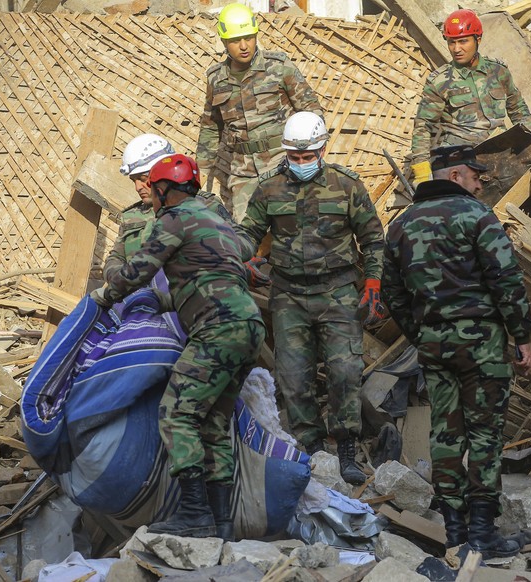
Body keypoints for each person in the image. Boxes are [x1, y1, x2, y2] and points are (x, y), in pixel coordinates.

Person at [90, 154, 264, 540]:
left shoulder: (173, 218)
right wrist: (162, 302)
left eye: (152, 189)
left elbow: (138, 270)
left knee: (176, 414)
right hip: (248, 326)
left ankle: (194, 515)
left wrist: (105, 296)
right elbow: (210, 277)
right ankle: (221, 524)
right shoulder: (217, 222)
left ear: (164, 189)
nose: (149, 197)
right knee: (214, 422)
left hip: (218, 328)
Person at [381, 145, 531, 559]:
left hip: (434, 346)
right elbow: (506, 279)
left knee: (445, 435)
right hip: (482, 344)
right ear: (453, 176)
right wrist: (522, 335)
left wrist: (422, 334)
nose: (480, 181)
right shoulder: (477, 217)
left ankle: (455, 535)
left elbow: (392, 295)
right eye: (474, 174)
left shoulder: (400, 225)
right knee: (485, 435)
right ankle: (483, 534)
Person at [235, 111, 385, 486]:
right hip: (289, 294)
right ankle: (313, 449)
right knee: (293, 376)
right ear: (286, 153)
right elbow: (248, 232)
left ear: (322, 149)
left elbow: (372, 238)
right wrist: (242, 256)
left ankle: (347, 447)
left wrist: (373, 283)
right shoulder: (269, 188)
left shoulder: (347, 186)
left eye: (308, 156)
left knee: (346, 372)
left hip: (337, 291)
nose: (301, 164)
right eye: (295, 157)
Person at [197, 2, 324, 222]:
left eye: (249, 37)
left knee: (289, 227)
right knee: (247, 233)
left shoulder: (278, 66)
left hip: (282, 164)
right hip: (242, 171)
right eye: (236, 40)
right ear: (224, 41)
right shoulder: (215, 78)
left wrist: (311, 154)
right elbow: (211, 125)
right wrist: (202, 169)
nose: (244, 45)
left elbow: (311, 110)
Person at [408, 8, 531, 184]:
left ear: (478, 39)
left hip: (500, 155)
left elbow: (518, 108)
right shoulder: (440, 81)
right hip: (460, 159)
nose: (456, 49)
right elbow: (423, 127)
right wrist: (422, 172)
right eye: (451, 42)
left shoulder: (498, 72)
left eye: (463, 41)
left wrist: (528, 141)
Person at [105, 133, 236, 280]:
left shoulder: (207, 206)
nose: (137, 187)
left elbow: (233, 249)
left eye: (143, 179)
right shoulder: (130, 218)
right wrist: (121, 278)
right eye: (133, 180)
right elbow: (116, 258)